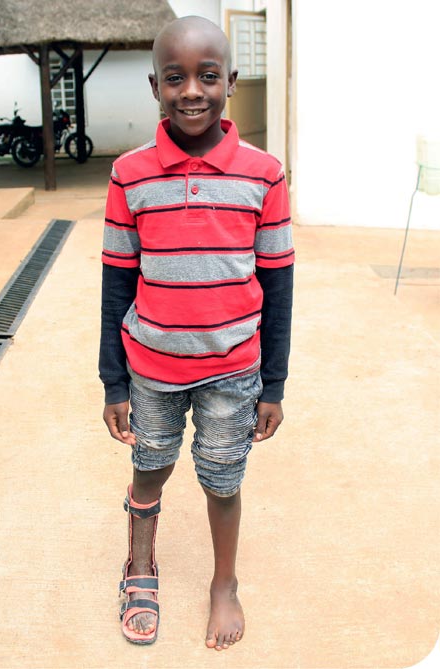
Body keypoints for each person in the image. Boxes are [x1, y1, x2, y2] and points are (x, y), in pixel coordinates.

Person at [99, 16, 293, 650]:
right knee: (150, 466)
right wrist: (113, 381)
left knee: (223, 480)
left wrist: (273, 384)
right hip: (152, 366)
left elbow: (279, 285)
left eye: (207, 76)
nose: (191, 91)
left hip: (233, 370)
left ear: (230, 82)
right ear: (154, 85)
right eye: (175, 77)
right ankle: (140, 565)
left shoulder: (264, 174)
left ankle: (224, 584)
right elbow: (116, 283)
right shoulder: (130, 174)